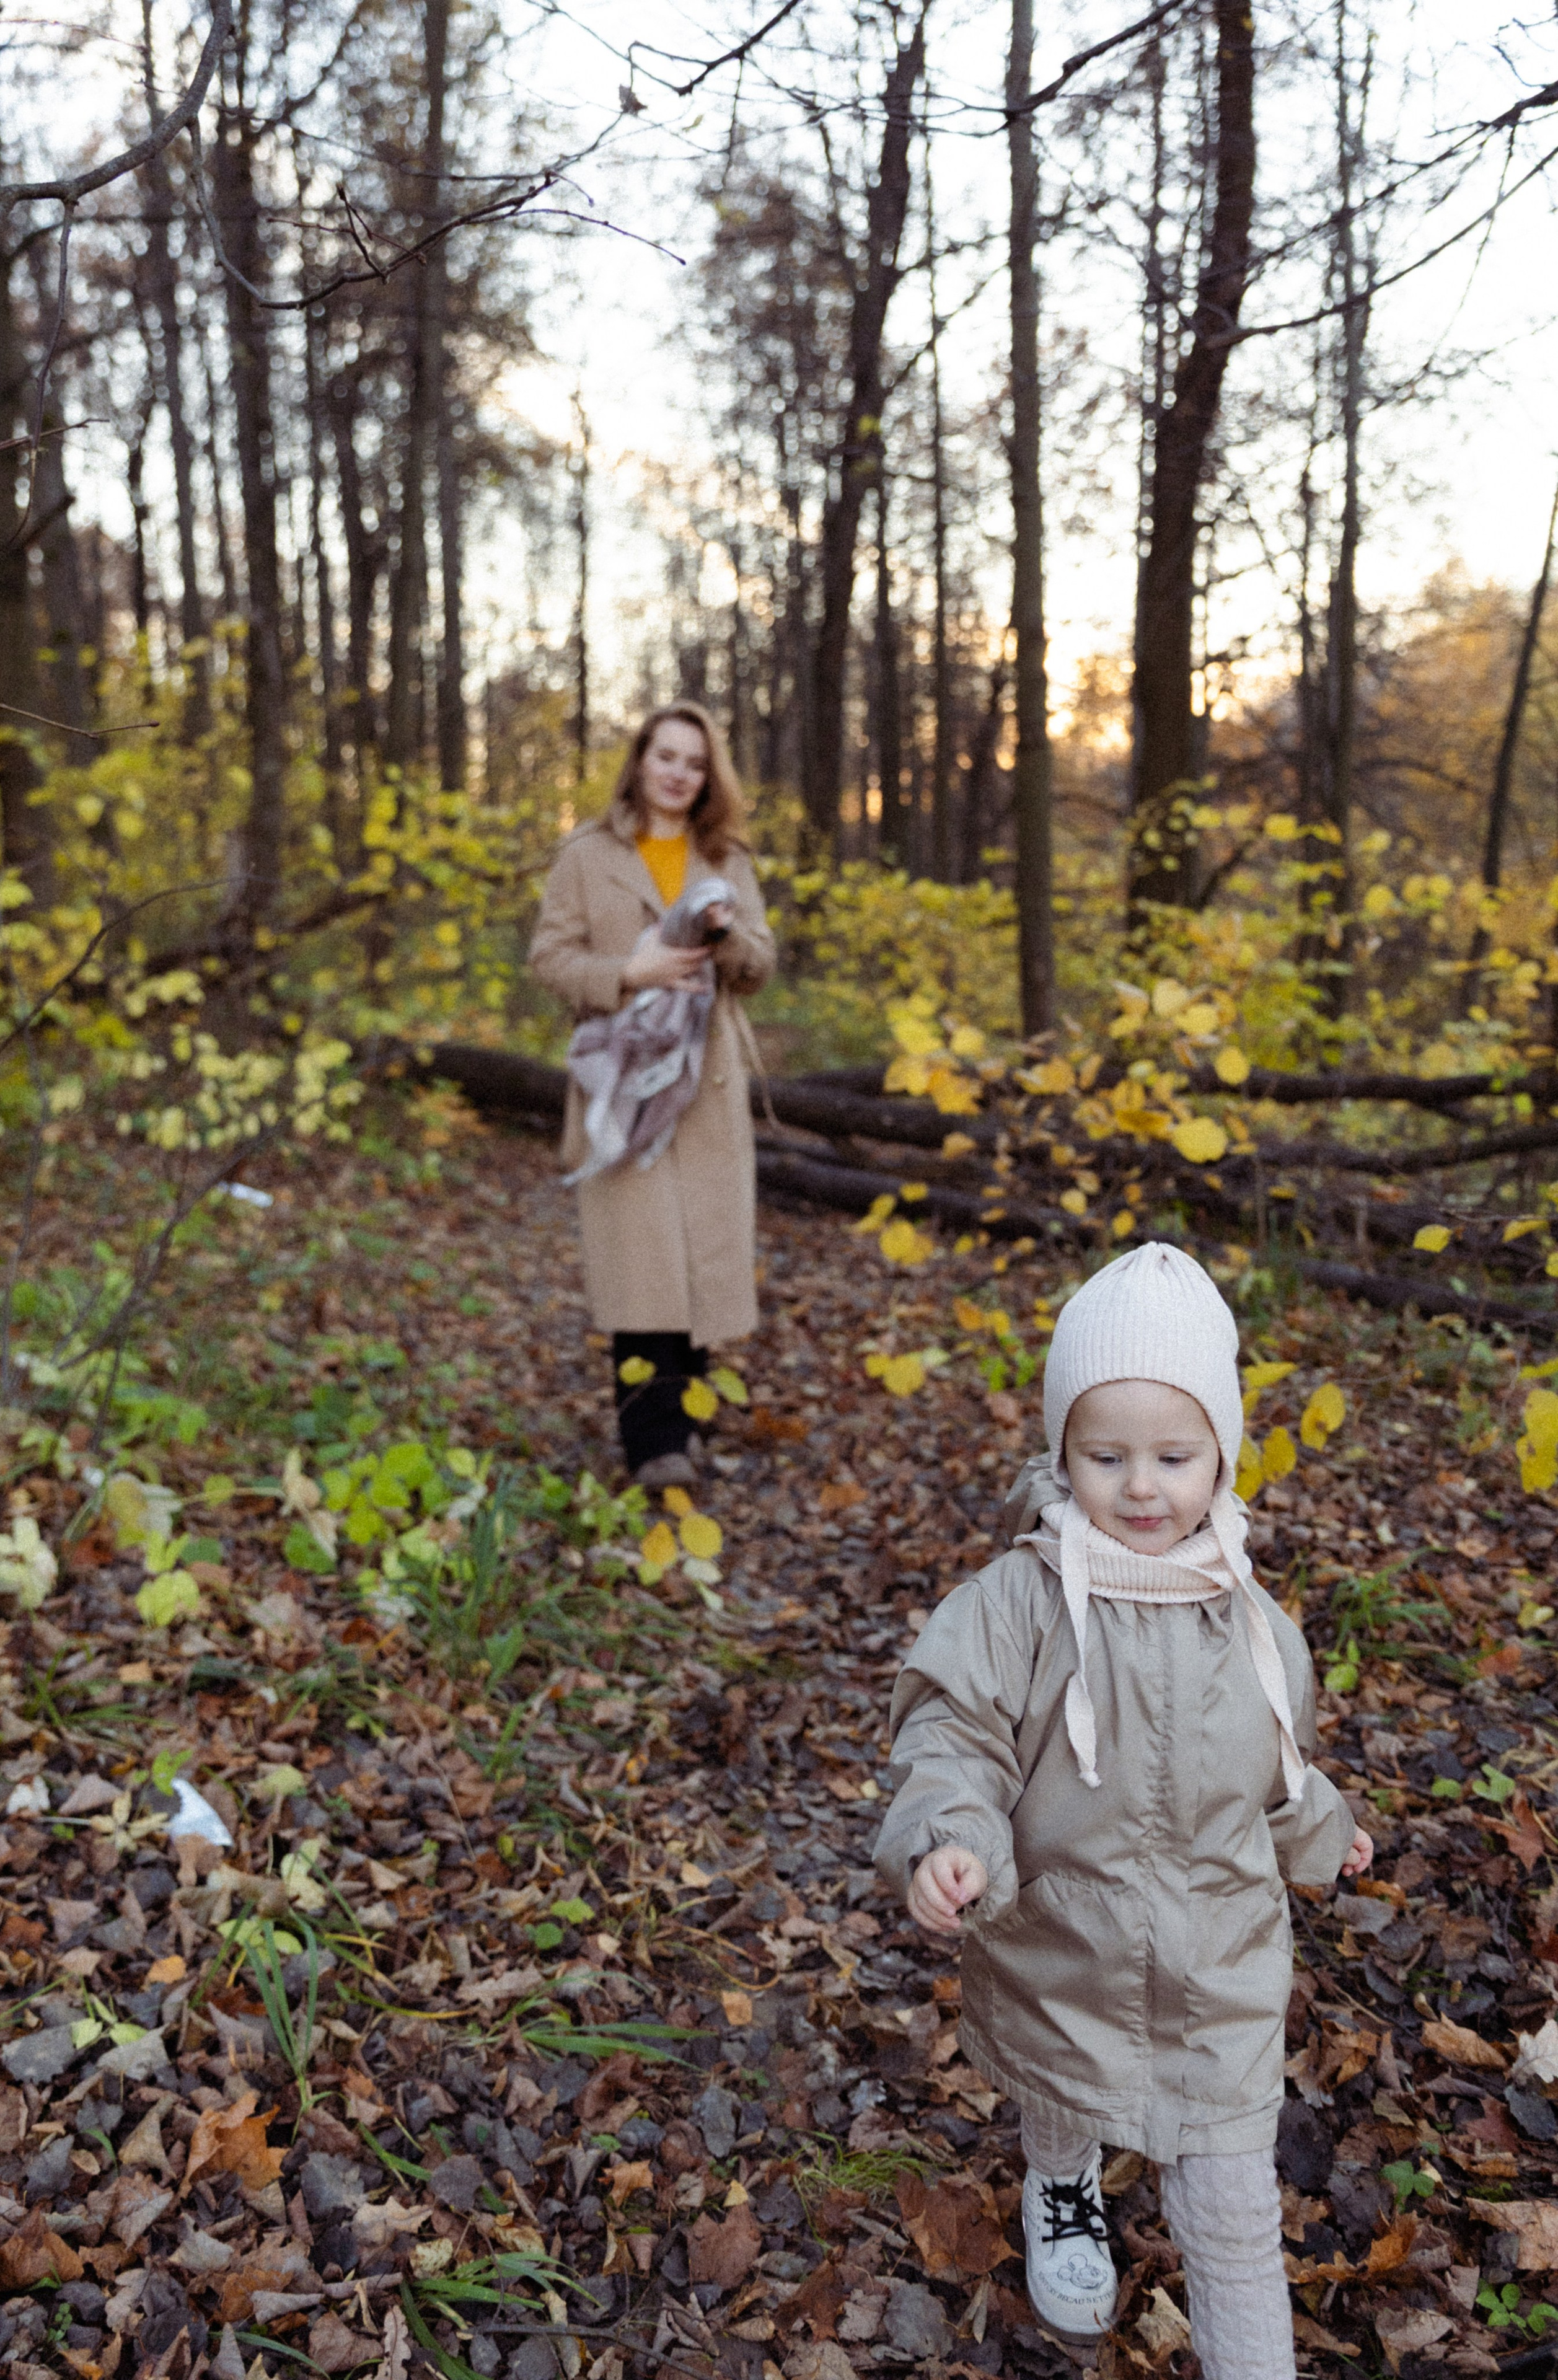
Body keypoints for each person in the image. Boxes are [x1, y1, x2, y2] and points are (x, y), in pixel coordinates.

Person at [873, 1243, 1371, 2376]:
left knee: (1236, 2216)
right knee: (1063, 2085)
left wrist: (1324, 1833)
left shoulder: (1254, 1625)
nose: (1141, 1487)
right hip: (1065, 1936)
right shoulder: (1018, 1603)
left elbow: (1276, 1771)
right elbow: (952, 1732)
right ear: (1062, 1451)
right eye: (1106, 1455)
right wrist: (950, 1837)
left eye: (1174, 1455)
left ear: (1223, 1458)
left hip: (1221, 1967)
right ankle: (1062, 2182)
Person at [529, 703, 775, 1488]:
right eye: (664, 756)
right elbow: (549, 958)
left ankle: (686, 1431)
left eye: (694, 762)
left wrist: (722, 938)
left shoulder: (724, 855)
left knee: (698, 1264)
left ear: (709, 777)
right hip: (623, 1083)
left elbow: (761, 962)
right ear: (639, 762)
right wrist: (627, 975)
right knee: (641, 1268)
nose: (677, 773)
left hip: (706, 1083)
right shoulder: (586, 854)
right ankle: (652, 1450)